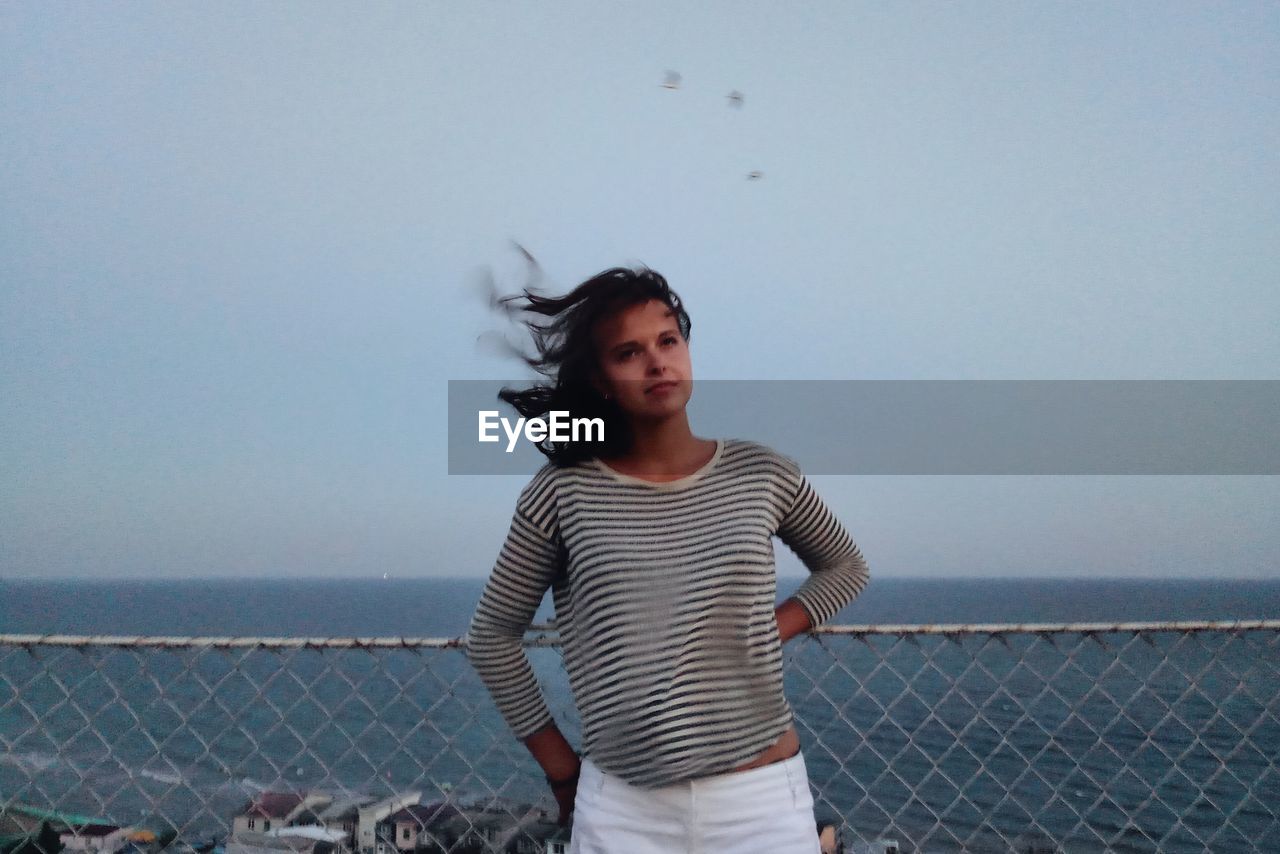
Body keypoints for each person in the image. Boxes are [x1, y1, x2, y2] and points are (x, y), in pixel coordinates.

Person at [465, 266, 870, 854]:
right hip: (624, 812)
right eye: (629, 352)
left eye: (668, 341)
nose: (657, 363)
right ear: (601, 379)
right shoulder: (563, 492)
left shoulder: (761, 473)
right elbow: (491, 637)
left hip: (761, 804)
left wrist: (765, 629)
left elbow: (845, 567)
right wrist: (561, 772)